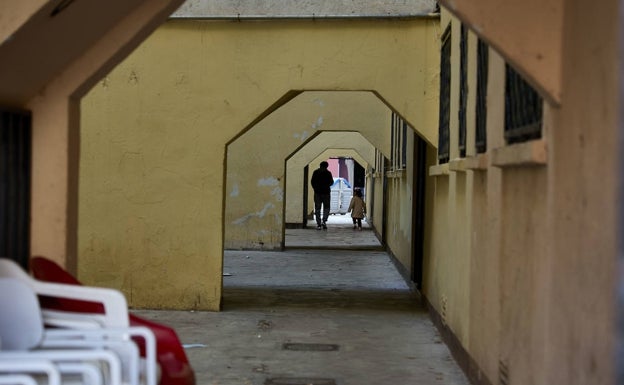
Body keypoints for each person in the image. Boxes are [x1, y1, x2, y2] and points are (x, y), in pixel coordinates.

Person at [310, 161, 334, 230]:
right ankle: (324, 221)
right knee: (326, 208)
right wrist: (326, 186)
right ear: (327, 166)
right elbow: (331, 182)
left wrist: (316, 188)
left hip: (317, 193)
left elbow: (312, 182)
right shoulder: (328, 173)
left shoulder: (316, 172)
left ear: (320, 165)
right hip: (326, 193)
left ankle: (318, 224)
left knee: (317, 208)